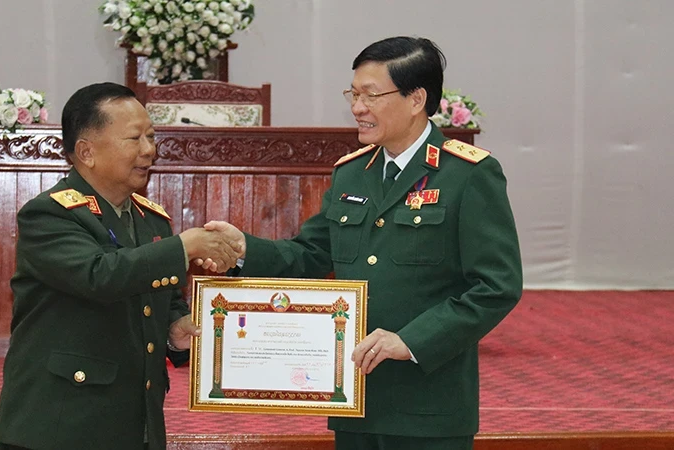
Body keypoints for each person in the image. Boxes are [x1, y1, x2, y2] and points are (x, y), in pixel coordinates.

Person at [205, 36, 523, 450]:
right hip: (354, 400)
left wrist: (411, 341)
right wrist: (244, 247)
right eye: (353, 94)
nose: (357, 107)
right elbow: (312, 254)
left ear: (416, 99)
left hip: (428, 404)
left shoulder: (467, 175)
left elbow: (496, 286)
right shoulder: (352, 173)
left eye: (370, 95)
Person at [0, 82, 242, 450]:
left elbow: (159, 299)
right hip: (59, 428)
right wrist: (183, 248)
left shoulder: (152, 220)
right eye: (134, 138)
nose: (149, 150)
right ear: (86, 152)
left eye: (152, 136)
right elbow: (99, 276)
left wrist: (177, 329)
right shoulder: (49, 214)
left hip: (133, 425)